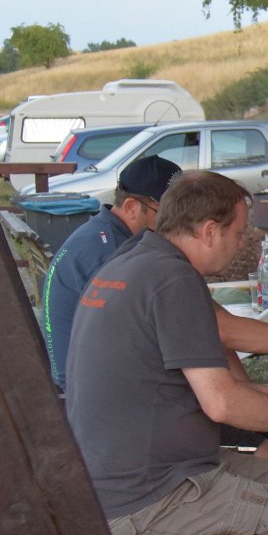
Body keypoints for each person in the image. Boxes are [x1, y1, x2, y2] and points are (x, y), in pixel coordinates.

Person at [64, 171, 268, 535]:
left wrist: (265, 392)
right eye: (239, 232)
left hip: (135, 471)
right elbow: (222, 403)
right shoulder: (173, 280)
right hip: (146, 492)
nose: (242, 242)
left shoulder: (140, 257)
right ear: (210, 231)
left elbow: (197, 360)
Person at [43, 155, 180, 389]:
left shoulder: (106, 234)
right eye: (167, 213)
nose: (177, 221)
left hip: (86, 373)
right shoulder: (109, 250)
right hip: (80, 387)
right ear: (131, 207)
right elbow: (150, 328)